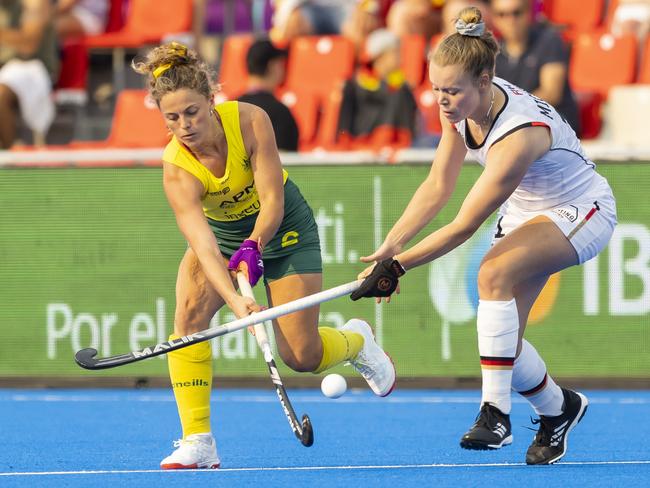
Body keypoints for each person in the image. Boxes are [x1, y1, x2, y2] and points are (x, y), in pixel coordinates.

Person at [350, 7, 616, 465]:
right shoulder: (461, 107)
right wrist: (389, 247)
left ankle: (495, 415)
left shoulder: (519, 134)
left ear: (485, 79)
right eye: (435, 89)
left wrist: (399, 268)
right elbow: (437, 186)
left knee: (491, 274)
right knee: (504, 344)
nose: (442, 100)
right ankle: (560, 409)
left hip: (581, 207)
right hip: (526, 211)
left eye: (452, 90)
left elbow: (463, 225)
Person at [132, 42, 396, 470]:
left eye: (193, 113)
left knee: (302, 357)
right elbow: (202, 243)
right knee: (188, 321)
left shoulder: (250, 120)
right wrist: (236, 301)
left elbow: (272, 200)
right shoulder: (176, 168)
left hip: (285, 228)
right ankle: (199, 441)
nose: (184, 126)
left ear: (211, 100)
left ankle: (356, 340)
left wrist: (254, 245)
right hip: (221, 238)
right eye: (172, 118)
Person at [492, 0, 580, 135]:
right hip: (513, 124)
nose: (510, 20)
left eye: (517, 13)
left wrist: (507, 111)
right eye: (502, 14)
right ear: (494, 19)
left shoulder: (549, 39)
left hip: (553, 121)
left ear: (529, 13)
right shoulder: (492, 51)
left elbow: (551, 93)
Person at [337, 28, 417, 149]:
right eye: (395, 52)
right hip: (359, 146)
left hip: (393, 145)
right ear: (379, 56)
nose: (400, 58)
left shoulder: (402, 87)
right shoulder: (354, 85)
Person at [0, 0, 58, 148]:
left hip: (33, 68)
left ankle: (11, 152)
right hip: (7, 67)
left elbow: (29, 45)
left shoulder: (35, 4)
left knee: (0, 93)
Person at [237, 38, 299, 152]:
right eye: (280, 63)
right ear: (272, 66)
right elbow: (288, 162)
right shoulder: (281, 113)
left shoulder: (231, 107)